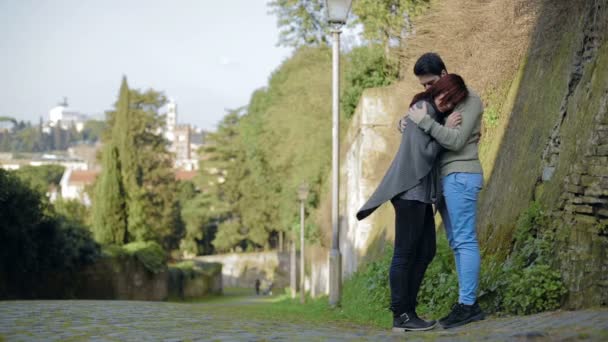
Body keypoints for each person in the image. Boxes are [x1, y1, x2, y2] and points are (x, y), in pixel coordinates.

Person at [357, 74, 469, 332]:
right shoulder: (423, 111)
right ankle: (401, 315)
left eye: (452, 101)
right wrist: (448, 131)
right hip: (410, 192)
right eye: (445, 96)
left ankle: (408, 311)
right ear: (437, 89)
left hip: (419, 195)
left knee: (426, 250)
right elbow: (425, 155)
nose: (447, 103)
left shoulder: (427, 113)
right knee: (404, 255)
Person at [399, 52, 485, 329]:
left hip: (461, 175)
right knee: (456, 243)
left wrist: (426, 123)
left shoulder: (469, 100)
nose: (427, 89)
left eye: (432, 82)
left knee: (464, 241)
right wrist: (404, 123)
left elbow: (457, 140)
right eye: (423, 86)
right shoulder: (441, 102)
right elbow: (426, 128)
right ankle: (466, 303)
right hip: (445, 179)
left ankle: (469, 305)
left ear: (445, 73)